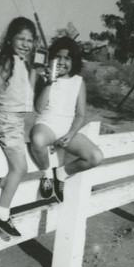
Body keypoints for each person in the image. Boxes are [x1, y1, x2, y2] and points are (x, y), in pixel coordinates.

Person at [0, 17, 39, 238]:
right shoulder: (7, 61)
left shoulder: (25, 65)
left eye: (30, 40)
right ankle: (1, 214)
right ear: (10, 40)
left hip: (17, 121)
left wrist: (36, 72)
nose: (25, 43)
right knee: (20, 168)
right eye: (21, 38)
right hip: (7, 120)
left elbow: (30, 97)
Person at [30, 36, 103, 202]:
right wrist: (49, 82)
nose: (62, 62)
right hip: (46, 125)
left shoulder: (78, 82)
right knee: (38, 139)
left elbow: (80, 115)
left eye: (67, 58)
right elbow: (39, 108)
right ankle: (47, 173)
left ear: (74, 61)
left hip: (67, 130)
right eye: (58, 57)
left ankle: (60, 174)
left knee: (96, 157)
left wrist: (70, 134)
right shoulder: (43, 77)